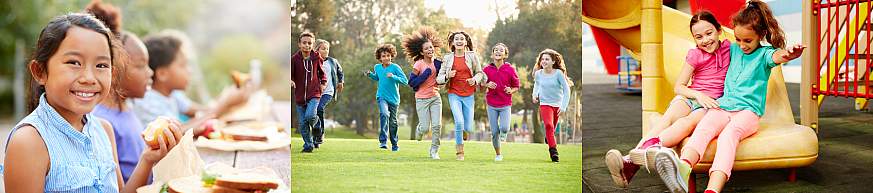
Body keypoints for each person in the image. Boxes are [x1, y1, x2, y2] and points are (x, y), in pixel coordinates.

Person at [2, 12, 183, 192]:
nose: (89, 78)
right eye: (74, 62)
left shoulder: (104, 130)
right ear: (40, 71)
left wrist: (147, 159)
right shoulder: (29, 141)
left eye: (101, 66)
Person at [654, 1, 806, 192]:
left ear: (760, 35)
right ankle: (682, 169)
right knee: (703, 128)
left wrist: (791, 55)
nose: (742, 45)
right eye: (738, 39)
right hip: (723, 106)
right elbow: (711, 50)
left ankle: (713, 189)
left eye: (747, 41)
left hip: (748, 112)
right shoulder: (733, 49)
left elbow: (778, 57)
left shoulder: (765, 55)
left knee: (728, 135)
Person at [604, 10, 731, 188]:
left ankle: (630, 165)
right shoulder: (695, 55)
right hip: (691, 96)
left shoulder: (730, 49)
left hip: (709, 105)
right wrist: (698, 95)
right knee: (665, 121)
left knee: (686, 123)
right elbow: (679, 86)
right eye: (699, 37)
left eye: (709, 33)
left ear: (718, 30)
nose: (705, 40)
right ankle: (629, 161)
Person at [436, 31, 486, 160]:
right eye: (456, 39)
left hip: (469, 95)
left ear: (465, 42)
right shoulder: (447, 58)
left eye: (461, 39)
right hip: (454, 94)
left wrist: (474, 79)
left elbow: (480, 73)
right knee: (459, 122)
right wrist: (447, 75)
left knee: (468, 127)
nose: (459, 41)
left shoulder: (472, 56)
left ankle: (464, 131)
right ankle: (460, 152)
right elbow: (439, 78)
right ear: (453, 42)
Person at [403, 27, 444, 159]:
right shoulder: (418, 64)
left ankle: (434, 151)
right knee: (426, 128)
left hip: (435, 97)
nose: (430, 50)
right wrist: (424, 75)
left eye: (431, 47)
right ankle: (420, 129)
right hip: (421, 99)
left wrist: (446, 76)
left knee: (437, 126)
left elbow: (443, 79)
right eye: (426, 48)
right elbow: (411, 82)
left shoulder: (438, 63)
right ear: (422, 51)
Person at [531, 49, 571, 162]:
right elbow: (537, 84)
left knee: (551, 129)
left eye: (547, 59)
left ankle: (548, 137)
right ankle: (553, 152)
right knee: (549, 126)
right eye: (542, 59)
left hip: (557, 105)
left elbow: (567, 91)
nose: (544, 61)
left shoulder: (558, 73)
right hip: (545, 104)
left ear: (553, 61)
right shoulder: (539, 74)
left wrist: (563, 107)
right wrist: (534, 95)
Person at [366, 44, 408, 152]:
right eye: (384, 56)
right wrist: (370, 75)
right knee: (384, 114)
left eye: (388, 55)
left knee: (393, 122)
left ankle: (394, 143)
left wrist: (393, 76)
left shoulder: (395, 67)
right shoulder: (377, 67)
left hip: (394, 99)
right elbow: (377, 77)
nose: (386, 58)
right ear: (380, 57)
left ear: (392, 56)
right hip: (381, 97)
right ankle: (383, 141)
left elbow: (405, 80)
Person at [289, 32, 327, 153]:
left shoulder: (317, 58)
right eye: (304, 43)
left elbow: (322, 74)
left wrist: (323, 84)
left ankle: (317, 127)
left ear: (313, 44)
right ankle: (308, 145)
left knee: (310, 115)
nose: (307, 45)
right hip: (300, 96)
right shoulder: (294, 60)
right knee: (302, 123)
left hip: (314, 94)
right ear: (299, 44)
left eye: (309, 43)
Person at [482, 43, 519, 161]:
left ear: (505, 55)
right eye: (496, 50)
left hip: (505, 104)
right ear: (492, 54)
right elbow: (481, 83)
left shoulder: (510, 69)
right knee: (494, 132)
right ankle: (498, 154)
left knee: (504, 128)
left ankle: (504, 134)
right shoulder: (486, 69)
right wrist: (487, 84)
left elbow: (516, 86)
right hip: (491, 104)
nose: (498, 52)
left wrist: (511, 90)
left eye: (501, 50)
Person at [312, 39, 344, 148]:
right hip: (315, 92)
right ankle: (316, 137)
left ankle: (320, 133)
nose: (326, 51)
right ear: (317, 50)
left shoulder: (333, 61)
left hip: (328, 92)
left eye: (327, 49)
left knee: (319, 108)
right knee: (312, 113)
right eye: (323, 49)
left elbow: (340, 72)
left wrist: (340, 82)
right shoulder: (312, 61)